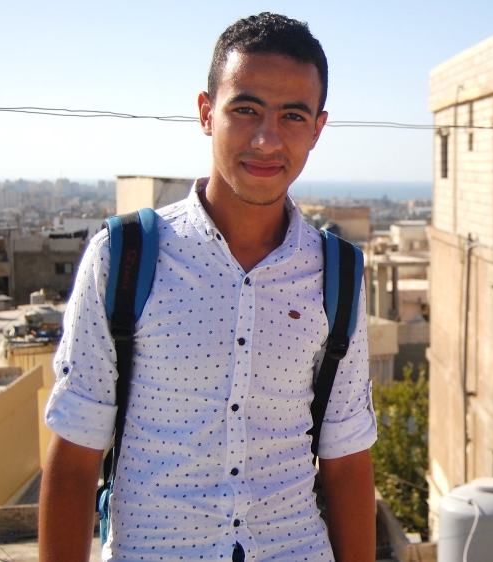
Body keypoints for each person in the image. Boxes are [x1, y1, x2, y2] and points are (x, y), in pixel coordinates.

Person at [39, 13, 377, 562]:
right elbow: (74, 462)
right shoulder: (125, 258)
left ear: (317, 129)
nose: (267, 139)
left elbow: (347, 463)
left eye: (293, 116)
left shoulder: (337, 273)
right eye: (245, 109)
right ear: (205, 113)